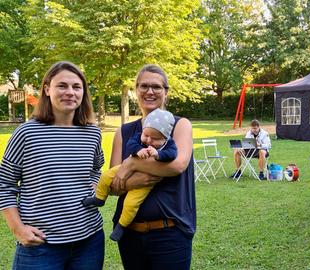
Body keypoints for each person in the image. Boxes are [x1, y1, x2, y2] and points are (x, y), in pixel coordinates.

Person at [0, 61, 105, 269]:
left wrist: (93, 186)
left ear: (83, 92)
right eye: (62, 86)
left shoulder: (92, 133)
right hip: (41, 245)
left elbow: (96, 168)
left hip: (89, 240)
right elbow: (4, 183)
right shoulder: (27, 133)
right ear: (47, 89)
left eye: (76, 87)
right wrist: (18, 229)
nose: (70, 92)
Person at [108, 64, 195, 269]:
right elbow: (113, 185)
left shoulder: (180, 125)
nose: (150, 91)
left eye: (156, 87)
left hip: (171, 232)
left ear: (166, 92)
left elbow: (177, 165)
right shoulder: (124, 132)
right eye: (144, 86)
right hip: (129, 232)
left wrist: (131, 164)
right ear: (135, 90)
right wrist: (138, 178)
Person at [82, 108, 177, 241]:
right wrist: (138, 150)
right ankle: (99, 198)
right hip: (126, 169)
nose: (148, 140)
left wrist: (159, 154)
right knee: (106, 176)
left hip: (146, 181)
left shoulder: (169, 144)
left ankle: (121, 226)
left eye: (155, 138)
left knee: (131, 204)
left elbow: (173, 154)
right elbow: (130, 145)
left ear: (165, 138)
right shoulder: (139, 137)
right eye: (146, 135)